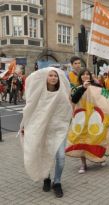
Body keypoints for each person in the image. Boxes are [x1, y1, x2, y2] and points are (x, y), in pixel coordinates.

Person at [19, 67, 72, 198]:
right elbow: (31, 110)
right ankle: (46, 178)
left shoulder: (62, 93)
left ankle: (57, 182)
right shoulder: (39, 93)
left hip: (59, 128)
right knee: (44, 153)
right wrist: (26, 125)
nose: (53, 78)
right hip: (42, 128)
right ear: (46, 77)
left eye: (55, 76)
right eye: (51, 75)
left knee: (60, 157)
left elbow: (66, 110)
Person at [70, 69, 103, 173]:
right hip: (81, 117)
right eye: (83, 74)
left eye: (87, 74)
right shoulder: (76, 88)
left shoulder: (96, 86)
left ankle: (98, 157)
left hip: (93, 116)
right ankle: (83, 164)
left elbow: (102, 98)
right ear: (80, 77)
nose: (85, 76)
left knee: (96, 138)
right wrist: (83, 88)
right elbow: (74, 100)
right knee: (82, 139)